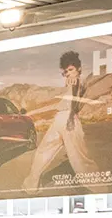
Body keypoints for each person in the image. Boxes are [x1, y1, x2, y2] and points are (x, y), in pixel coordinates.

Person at [23, 50, 99, 192]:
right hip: (59, 119)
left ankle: (99, 190)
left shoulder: (77, 81)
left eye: (71, 70)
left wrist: (70, 116)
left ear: (79, 69)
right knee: (42, 151)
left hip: (70, 120)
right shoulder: (70, 83)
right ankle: (30, 186)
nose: (68, 73)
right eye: (65, 72)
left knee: (80, 159)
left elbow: (76, 90)